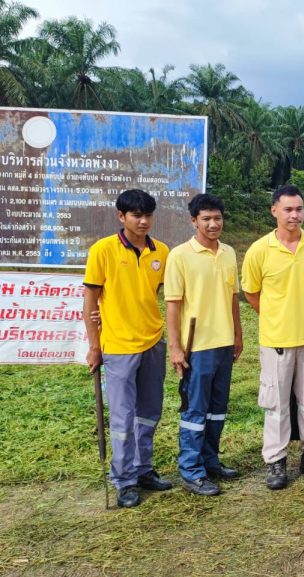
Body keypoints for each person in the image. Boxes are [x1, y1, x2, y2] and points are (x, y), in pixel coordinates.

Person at [241, 184, 304, 490]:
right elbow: (251, 293)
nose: (295, 215)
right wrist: (275, 316)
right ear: (274, 211)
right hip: (276, 340)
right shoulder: (259, 250)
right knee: (276, 404)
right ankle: (276, 460)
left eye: (299, 209)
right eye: (288, 209)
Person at [83, 189, 172, 508]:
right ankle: (124, 479)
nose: (143, 221)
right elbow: (90, 301)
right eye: (136, 215)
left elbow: (157, 295)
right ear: (121, 216)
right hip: (118, 347)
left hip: (153, 342)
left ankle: (143, 469)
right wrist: (94, 346)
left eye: (148, 215)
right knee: (122, 417)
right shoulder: (103, 250)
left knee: (149, 413)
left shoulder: (161, 251)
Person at [165, 193, 243, 497]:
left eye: (217, 218)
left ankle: (210, 461)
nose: (213, 224)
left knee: (217, 409)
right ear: (194, 221)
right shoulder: (180, 255)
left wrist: (237, 335)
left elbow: (233, 297)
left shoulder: (228, 253)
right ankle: (191, 470)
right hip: (196, 346)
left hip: (224, 343)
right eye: (206, 219)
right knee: (195, 410)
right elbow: (173, 305)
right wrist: (175, 347)